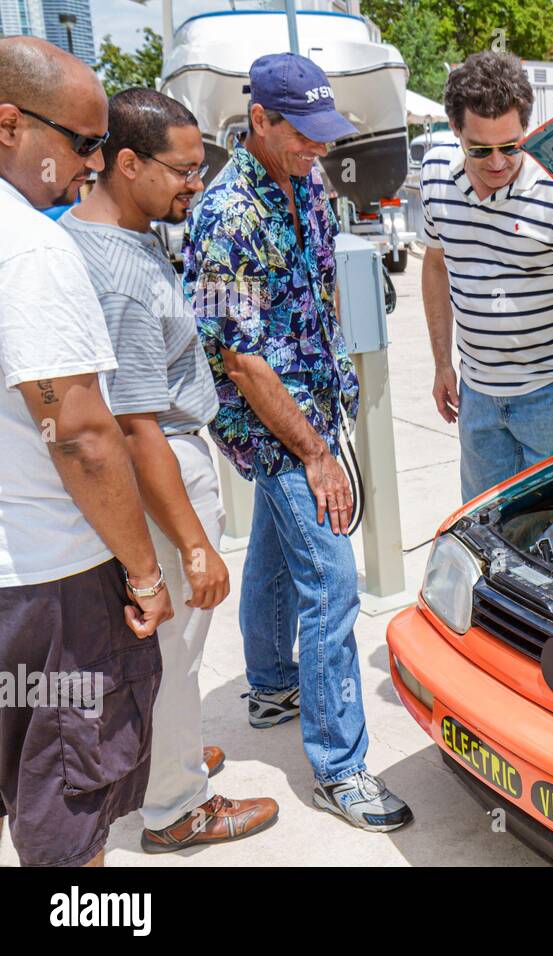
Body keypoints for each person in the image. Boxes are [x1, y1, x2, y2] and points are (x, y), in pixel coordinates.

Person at [184, 53, 411, 832]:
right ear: (261, 121)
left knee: (281, 557)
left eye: (325, 133)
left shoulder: (306, 181)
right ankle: (340, 769)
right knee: (333, 584)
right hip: (275, 425)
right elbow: (240, 356)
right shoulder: (224, 215)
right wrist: (314, 451)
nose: (319, 148)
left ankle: (275, 682)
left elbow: (317, 292)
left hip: (315, 403)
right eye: (304, 134)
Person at [62, 87, 280, 853]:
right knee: (175, 655)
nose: (197, 184)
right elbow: (135, 425)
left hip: (151, 464)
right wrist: (192, 542)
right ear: (127, 163)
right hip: (162, 469)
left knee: (155, 651)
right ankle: (179, 807)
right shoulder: (119, 274)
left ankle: (161, 762)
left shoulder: (105, 232)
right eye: (183, 171)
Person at [0, 36, 173, 867]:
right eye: (82, 142)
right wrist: (143, 570)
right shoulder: (32, 247)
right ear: (9, 124)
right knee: (70, 820)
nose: (97, 163)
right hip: (49, 588)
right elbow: (79, 430)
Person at [420, 51, 553, 502]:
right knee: (485, 531)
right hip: (477, 398)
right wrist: (441, 363)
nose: (496, 162)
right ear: (455, 131)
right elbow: (435, 264)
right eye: (480, 149)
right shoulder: (435, 174)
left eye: (510, 146)